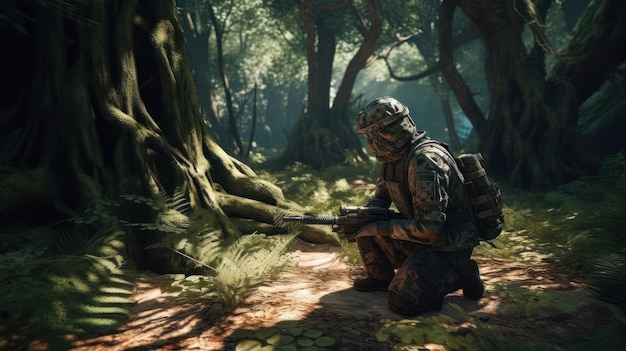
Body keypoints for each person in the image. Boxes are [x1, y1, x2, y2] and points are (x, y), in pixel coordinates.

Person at [351, 96, 484, 316]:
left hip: (447, 245)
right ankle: (380, 277)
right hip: (420, 237)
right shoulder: (394, 159)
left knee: (402, 301)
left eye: (374, 135)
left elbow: (430, 230)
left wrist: (380, 227)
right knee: (365, 226)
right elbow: (381, 197)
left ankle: (462, 273)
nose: (371, 143)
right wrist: (366, 216)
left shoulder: (425, 162)